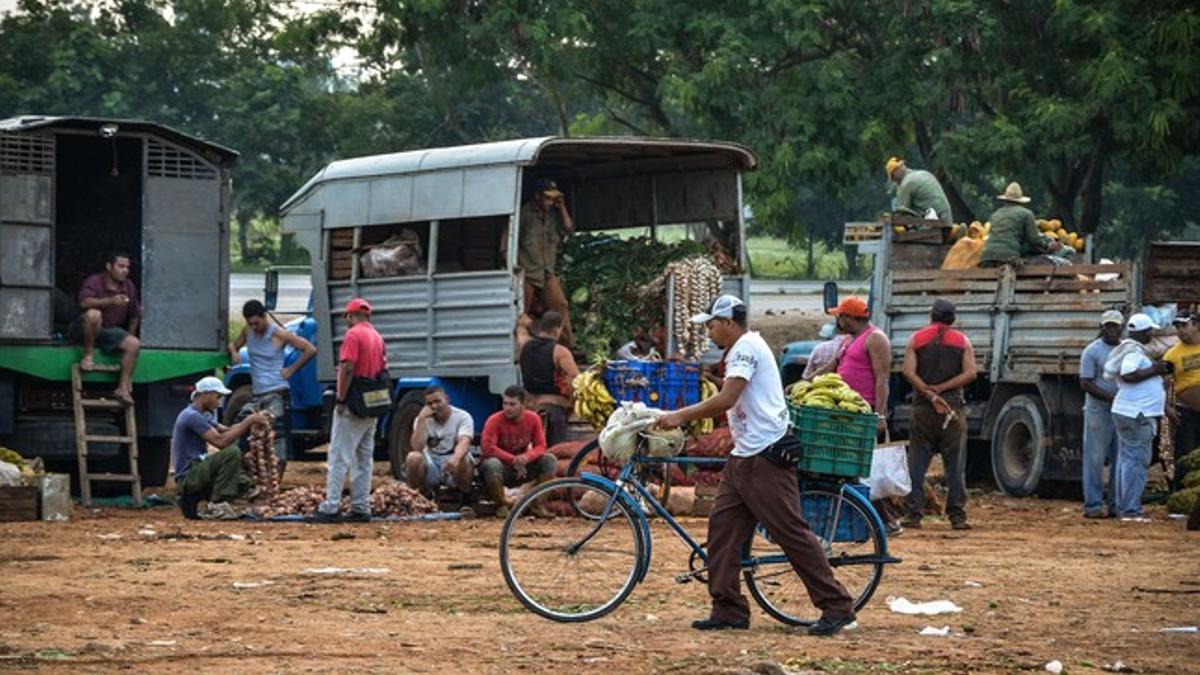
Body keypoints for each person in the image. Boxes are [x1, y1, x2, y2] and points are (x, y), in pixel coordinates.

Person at [658, 295, 856, 637]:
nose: (709, 332)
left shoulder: (746, 347)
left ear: (729, 323)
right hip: (744, 456)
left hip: (765, 456)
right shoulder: (740, 349)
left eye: (712, 325)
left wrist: (680, 415)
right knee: (722, 530)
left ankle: (837, 606)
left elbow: (728, 399)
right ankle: (728, 608)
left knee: (790, 533)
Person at [825, 296, 901, 535]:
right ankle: (871, 519)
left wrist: (879, 415)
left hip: (864, 411)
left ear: (849, 317)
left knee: (865, 469)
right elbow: (832, 366)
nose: (837, 320)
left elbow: (882, 379)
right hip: (845, 411)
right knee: (852, 467)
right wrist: (804, 382)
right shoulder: (848, 340)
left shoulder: (875, 338)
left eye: (840, 316)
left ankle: (888, 521)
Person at [901, 299, 978, 530]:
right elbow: (971, 373)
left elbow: (907, 372)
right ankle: (957, 515)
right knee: (955, 465)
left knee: (916, 464)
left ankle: (914, 514)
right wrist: (943, 389)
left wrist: (928, 392)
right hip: (952, 409)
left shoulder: (916, 339)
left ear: (931, 316)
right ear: (953, 319)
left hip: (923, 409)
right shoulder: (962, 341)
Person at [315, 298, 387, 523]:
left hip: (353, 403)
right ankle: (360, 505)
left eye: (346, 316)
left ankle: (332, 505)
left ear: (350, 315)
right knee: (364, 458)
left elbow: (347, 367)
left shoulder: (353, 335)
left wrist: (341, 398)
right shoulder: (377, 337)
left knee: (339, 456)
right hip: (371, 405)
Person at [228, 299, 316, 474]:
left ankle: (274, 484)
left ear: (264, 317)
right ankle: (251, 477)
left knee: (278, 440)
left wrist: (291, 369)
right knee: (243, 434)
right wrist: (234, 353)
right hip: (257, 393)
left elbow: (309, 349)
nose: (255, 327)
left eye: (257, 323)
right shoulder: (248, 332)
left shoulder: (279, 334)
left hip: (277, 392)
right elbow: (233, 345)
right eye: (250, 324)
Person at [172, 376, 269, 520]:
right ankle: (217, 505)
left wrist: (252, 422)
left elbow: (226, 430)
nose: (219, 403)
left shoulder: (201, 415)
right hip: (188, 474)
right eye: (217, 397)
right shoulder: (191, 416)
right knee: (231, 452)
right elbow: (221, 442)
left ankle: (193, 499)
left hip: (197, 470)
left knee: (242, 482)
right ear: (205, 394)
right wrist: (248, 421)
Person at [1110, 313, 1171, 518]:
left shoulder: (1130, 349)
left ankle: (1124, 507)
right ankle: (1130, 510)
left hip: (1129, 411)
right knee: (1136, 462)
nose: (1151, 334)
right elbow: (1128, 375)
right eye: (1150, 331)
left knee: (1127, 461)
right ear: (1144, 332)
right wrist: (1155, 370)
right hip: (1137, 414)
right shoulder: (1134, 352)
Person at [69, 251, 142, 406]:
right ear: (109, 266)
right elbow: (84, 303)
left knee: (134, 344)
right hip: (84, 329)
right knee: (94, 315)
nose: (125, 271)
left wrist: (126, 337)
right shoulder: (94, 281)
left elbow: (135, 314)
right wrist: (111, 301)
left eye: (127, 267)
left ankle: (123, 388)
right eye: (120, 266)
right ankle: (88, 356)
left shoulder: (128, 286)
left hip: (108, 331)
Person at [479, 385, 558, 518]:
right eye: (505, 403)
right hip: (502, 467)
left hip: (522, 467)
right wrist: (513, 459)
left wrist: (527, 457)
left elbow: (541, 446)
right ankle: (501, 505)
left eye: (512, 404)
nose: (507, 408)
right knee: (492, 464)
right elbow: (488, 448)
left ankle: (536, 504)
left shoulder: (533, 419)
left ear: (523, 405)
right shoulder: (494, 420)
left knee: (549, 460)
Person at [1078, 310, 1125, 518]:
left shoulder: (1127, 350)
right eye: (1108, 326)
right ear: (1102, 327)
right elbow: (1086, 382)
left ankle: (1116, 505)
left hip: (1123, 410)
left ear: (1121, 327)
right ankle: (1093, 505)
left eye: (1115, 326)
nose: (1112, 330)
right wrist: (1110, 397)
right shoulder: (1092, 351)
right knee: (1095, 458)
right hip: (1099, 410)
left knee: (1120, 458)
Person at [518, 178, 575, 345]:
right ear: (537, 197)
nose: (550, 202)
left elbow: (569, 229)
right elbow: (508, 241)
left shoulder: (552, 215)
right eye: (547, 198)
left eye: (553, 199)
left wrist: (562, 207)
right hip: (528, 271)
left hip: (547, 271)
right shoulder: (525, 214)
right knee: (522, 311)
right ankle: (519, 349)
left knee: (560, 305)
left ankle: (568, 345)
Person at [519, 311, 579, 446]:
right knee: (554, 453)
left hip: (529, 408)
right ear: (558, 330)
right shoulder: (560, 352)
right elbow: (576, 380)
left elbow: (520, 331)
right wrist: (571, 402)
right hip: (552, 408)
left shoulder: (524, 345)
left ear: (541, 327)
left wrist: (524, 324)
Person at [406, 386, 475, 501]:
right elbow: (417, 447)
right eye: (429, 403)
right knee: (413, 457)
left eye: (437, 401)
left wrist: (456, 458)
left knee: (464, 458)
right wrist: (422, 419)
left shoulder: (462, 416)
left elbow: (464, 441)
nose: (434, 406)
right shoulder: (421, 420)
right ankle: (422, 495)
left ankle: (464, 496)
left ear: (447, 399)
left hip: (452, 459)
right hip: (432, 461)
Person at [979, 182, 1062, 268]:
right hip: (1008, 257)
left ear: (1005, 200)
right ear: (1020, 201)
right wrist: (1047, 245)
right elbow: (1034, 239)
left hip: (986, 257)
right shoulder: (1026, 214)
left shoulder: (996, 214)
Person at [1164, 312, 1200, 491]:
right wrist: (1167, 407)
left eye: (1184, 326)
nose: (1180, 331)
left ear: (1195, 325)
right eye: (1177, 327)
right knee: (1185, 457)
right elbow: (1160, 385)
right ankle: (1180, 497)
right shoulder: (1172, 354)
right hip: (1186, 413)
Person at [887, 157, 953, 225]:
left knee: (906, 221)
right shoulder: (924, 173)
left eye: (893, 176)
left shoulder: (906, 183)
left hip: (936, 221)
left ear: (896, 171)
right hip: (947, 217)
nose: (894, 180)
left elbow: (902, 211)